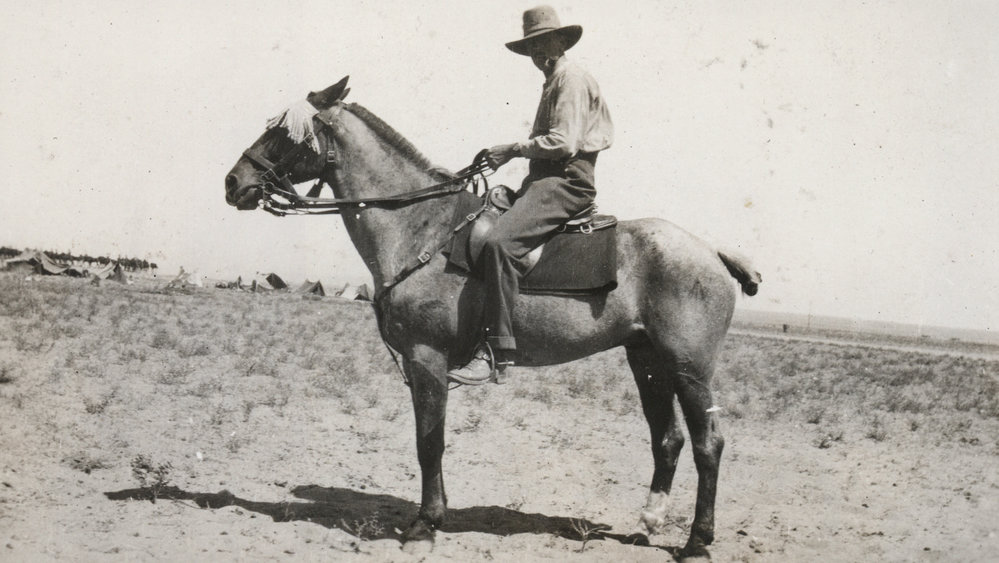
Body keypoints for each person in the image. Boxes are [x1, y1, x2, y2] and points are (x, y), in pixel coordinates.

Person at [448, 5, 614, 384]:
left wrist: (512, 149)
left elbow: (564, 142)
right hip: (541, 181)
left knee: (500, 244)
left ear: (560, 40)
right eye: (531, 48)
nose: (538, 53)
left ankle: (497, 351)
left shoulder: (570, 78)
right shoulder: (554, 78)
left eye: (543, 43)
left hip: (566, 183)